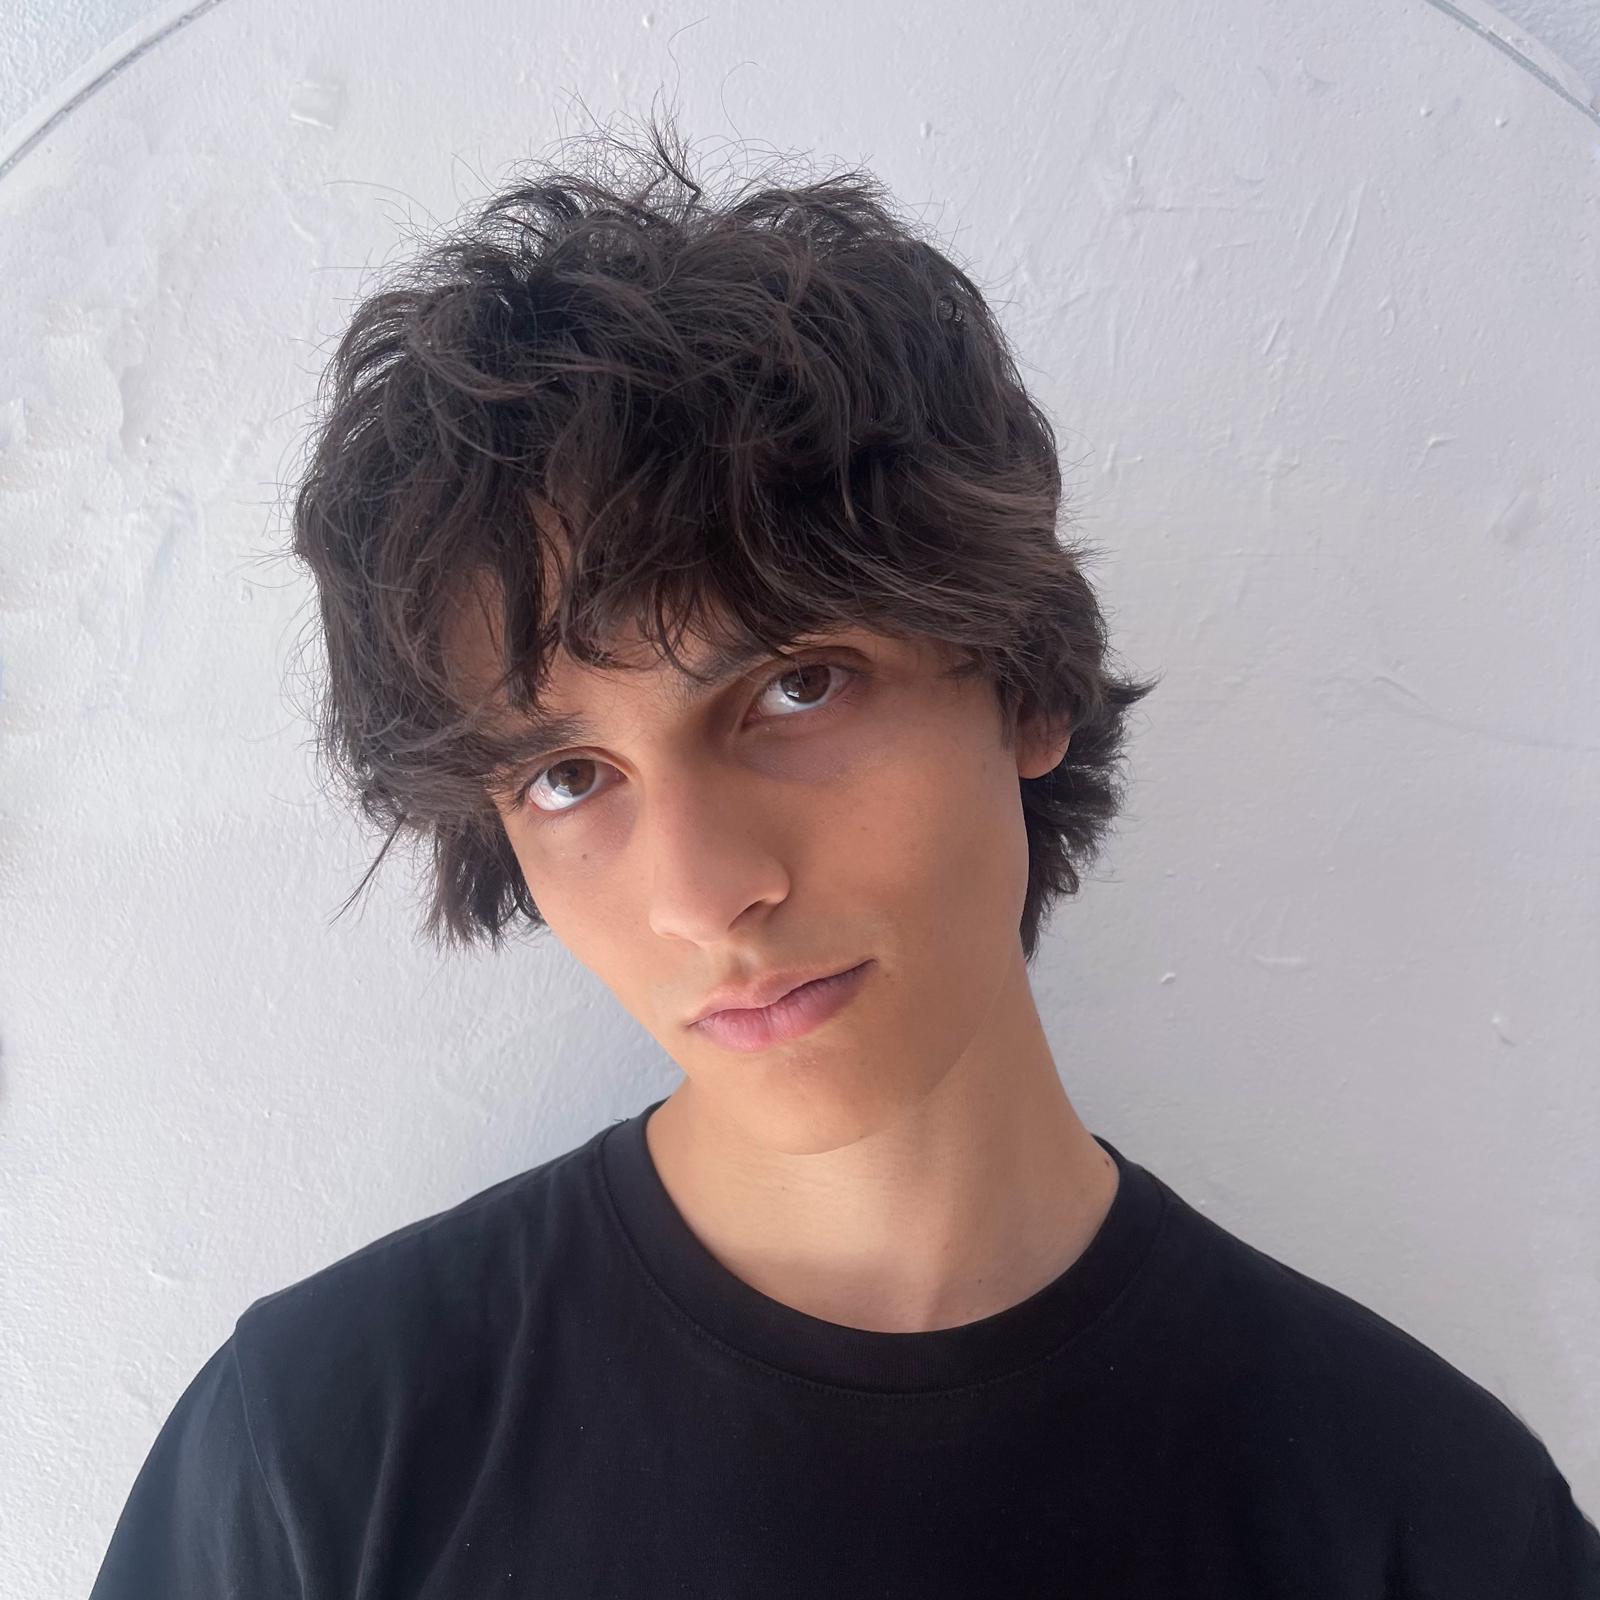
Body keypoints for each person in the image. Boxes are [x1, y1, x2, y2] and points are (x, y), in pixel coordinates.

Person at [89, 112, 1599, 1597]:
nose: (703, 896)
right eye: (567, 775)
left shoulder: (1430, 1519)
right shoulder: (320, 1452)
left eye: (796, 689)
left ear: (1024, 683)